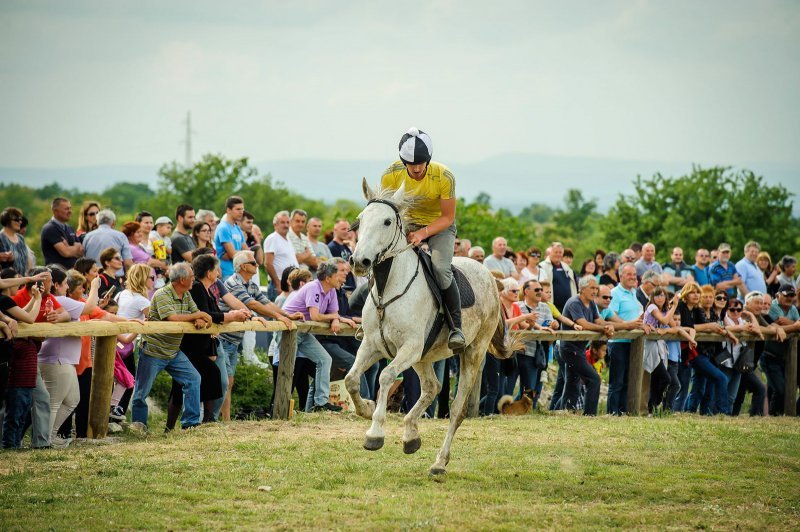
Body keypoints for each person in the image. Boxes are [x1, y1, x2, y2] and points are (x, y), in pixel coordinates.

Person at [380, 127, 465, 350]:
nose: (416, 168)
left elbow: (448, 217)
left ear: (429, 161)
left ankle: (456, 327)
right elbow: (387, 211)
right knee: (379, 259)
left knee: (440, 269)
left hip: (439, 226)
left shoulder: (444, 176)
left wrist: (422, 234)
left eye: (421, 163)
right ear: (403, 161)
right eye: (411, 164)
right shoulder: (390, 174)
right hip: (405, 223)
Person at [165, 255, 250, 429]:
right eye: (216, 269)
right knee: (208, 376)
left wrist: (233, 316)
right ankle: (205, 421)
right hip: (191, 346)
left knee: (198, 381)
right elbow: (206, 313)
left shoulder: (207, 289)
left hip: (201, 345)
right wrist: (231, 316)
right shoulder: (197, 287)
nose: (219, 272)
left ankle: (195, 422)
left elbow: (212, 313)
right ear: (210, 273)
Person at [218, 251, 300, 420]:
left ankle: (225, 421)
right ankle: (216, 419)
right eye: (254, 263)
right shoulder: (233, 283)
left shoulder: (251, 284)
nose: (258, 265)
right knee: (224, 383)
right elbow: (252, 304)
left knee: (228, 383)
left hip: (232, 340)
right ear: (243, 266)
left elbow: (266, 302)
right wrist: (279, 316)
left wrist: (286, 314)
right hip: (222, 339)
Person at [131, 263, 213, 431]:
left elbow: (195, 315)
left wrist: (198, 318)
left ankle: (190, 423)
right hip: (153, 350)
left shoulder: (186, 295)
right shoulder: (162, 294)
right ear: (182, 279)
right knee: (141, 391)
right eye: (191, 277)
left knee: (193, 379)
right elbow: (172, 318)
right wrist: (197, 315)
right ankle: (139, 426)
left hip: (173, 351)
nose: (193, 280)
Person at [283, 261, 358, 411]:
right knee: (285, 369)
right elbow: (315, 316)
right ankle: (277, 410)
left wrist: (336, 318)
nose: (342, 278)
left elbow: (334, 314)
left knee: (325, 359)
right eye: (338, 275)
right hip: (289, 331)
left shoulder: (331, 290)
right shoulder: (313, 287)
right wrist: (335, 318)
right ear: (328, 278)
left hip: (304, 332)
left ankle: (321, 402)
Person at [1, 271, 46, 448]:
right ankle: (9, 446)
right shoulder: (4, 300)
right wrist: (39, 300)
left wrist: (34, 298)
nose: (18, 286)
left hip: (10, 363)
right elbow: (29, 319)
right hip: (8, 363)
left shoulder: (5, 303)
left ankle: (13, 446)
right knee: (13, 413)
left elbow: (19, 315)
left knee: (18, 413)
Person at [561, 276, 615, 416]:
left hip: (579, 349)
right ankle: (590, 414)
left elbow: (599, 321)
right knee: (594, 379)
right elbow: (583, 323)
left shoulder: (591, 304)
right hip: (569, 349)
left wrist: (609, 326)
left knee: (572, 383)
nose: (595, 291)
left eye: (596, 288)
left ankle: (563, 412)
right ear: (582, 289)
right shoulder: (574, 302)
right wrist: (602, 329)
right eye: (592, 288)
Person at [607, 263, 648, 415]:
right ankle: (612, 413)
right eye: (629, 274)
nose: (633, 277)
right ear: (621, 276)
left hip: (633, 342)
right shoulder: (615, 293)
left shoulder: (633, 293)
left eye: (634, 274)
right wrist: (628, 325)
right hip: (618, 342)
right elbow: (612, 315)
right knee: (616, 381)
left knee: (628, 380)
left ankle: (624, 412)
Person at [760, 284, 800, 414]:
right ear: (778, 295)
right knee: (780, 390)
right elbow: (774, 327)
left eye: (792, 295)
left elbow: (781, 325)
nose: (789, 298)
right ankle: (773, 415)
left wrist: (784, 325)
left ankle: (777, 415)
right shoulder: (772, 306)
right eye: (786, 295)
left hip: (785, 358)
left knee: (783, 389)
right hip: (770, 355)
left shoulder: (793, 308)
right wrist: (794, 325)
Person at [83, 209, 133, 273]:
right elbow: (128, 263)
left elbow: (83, 259)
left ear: (97, 222)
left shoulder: (88, 237)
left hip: (93, 277)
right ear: (113, 222)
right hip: (115, 278)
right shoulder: (120, 236)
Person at [264, 211, 300, 301]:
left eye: (287, 222)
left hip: (291, 284)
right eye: (282, 222)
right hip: (279, 284)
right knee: (276, 313)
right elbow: (268, 264)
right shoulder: (272, 238)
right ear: (275, 224)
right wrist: (278, 284)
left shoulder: (287, 239)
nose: (286, 225)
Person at [40, 197, 83, 269]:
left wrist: (69, 248)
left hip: (71, 274)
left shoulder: (69, 228)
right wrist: (72, 249)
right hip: (56, 275)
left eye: (70, 208)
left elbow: (80, 251)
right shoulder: (50, 228)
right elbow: (65, 253)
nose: (70, 211)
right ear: (55, 211)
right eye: (66, 209)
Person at [214, 196, 248, 279]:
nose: (241, 212)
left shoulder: (237, 228)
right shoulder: (223, 228)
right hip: (227, 274)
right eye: (238, 209)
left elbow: (247, 251)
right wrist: (236, 253)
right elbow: (233, 254)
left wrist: (236, 253)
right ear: (228, 210)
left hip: (238, 272)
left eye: (242, 209)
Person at [539, 242, 577, 312]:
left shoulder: (567, 268)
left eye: (560, 252)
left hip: (568, 308)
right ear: (550, 252)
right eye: (556, 252)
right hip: (550, 306)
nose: (558, 254)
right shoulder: (542, 266)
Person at [0, 207, 34, 276]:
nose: (20, 222)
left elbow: (27, 260)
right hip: (8, 282)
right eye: (16, 219)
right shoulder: (1, 238)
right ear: (7, 220)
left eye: (20, 219)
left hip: (23, 280)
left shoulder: (21, 238)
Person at [328, 219, 355, 291]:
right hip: (342, 288)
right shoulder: (332, 247)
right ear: (335, 230)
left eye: (348, 229)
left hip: (351, 286)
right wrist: (351, 264)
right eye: (343, 229)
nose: (346, 231)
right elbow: (339, 269)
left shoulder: (346, 246)